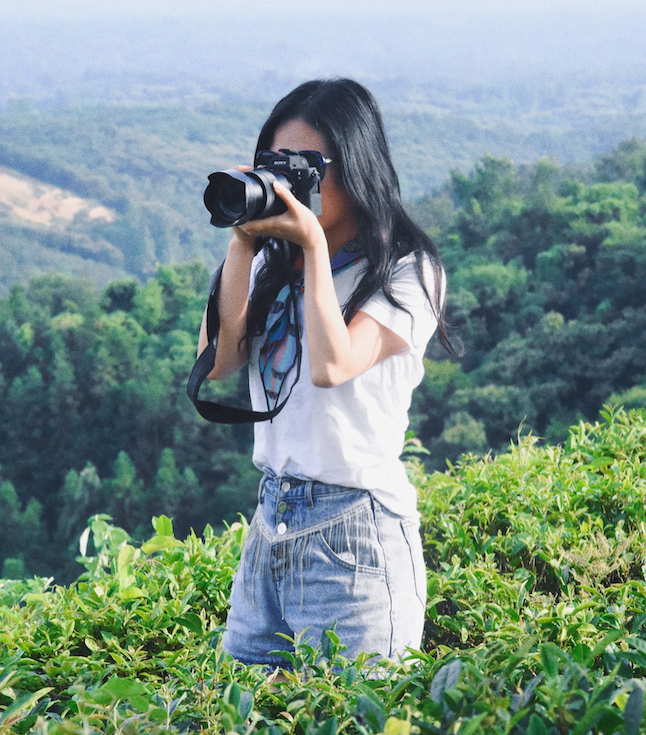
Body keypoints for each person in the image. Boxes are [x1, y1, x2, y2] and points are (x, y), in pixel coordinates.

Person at [198, 78, 454, 668]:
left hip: (355, 529)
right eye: (275, 165)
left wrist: (312, 248)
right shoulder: (267, 262)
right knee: (241, 716)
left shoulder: (408, 272)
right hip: (270, 523)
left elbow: (333, 365)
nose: (287, 181)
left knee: (351, 715)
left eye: (306, 166)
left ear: (358, 166)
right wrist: (242, 246)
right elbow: (217, 364)